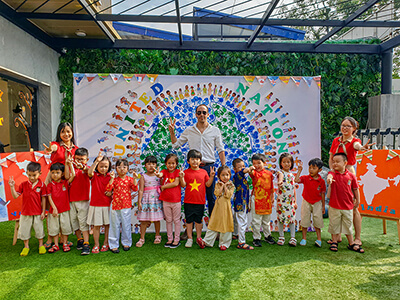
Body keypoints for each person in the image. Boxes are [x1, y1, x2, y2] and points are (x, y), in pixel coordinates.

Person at [169, 104, 225, 216]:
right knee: (192, 198)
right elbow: (176, 145)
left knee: (212, 198)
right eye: (199, 112)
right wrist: (172, 132)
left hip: (210, 168)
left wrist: (223, 168)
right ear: (196, 115)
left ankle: (212, 230)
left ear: (208, 114)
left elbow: (220, 149)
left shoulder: (215, 130)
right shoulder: (189, 130)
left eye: (204, 112)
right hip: (193, 169)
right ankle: (190, 227)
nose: (202, 115)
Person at [328, 116, 373, 248]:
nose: (345, 128)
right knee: (336, 204)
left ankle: (357, 238)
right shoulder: (336, 140)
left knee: (353, 207)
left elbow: (357, 146)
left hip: (348, 174)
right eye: (343, 125)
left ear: (354, 129)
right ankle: (337, 236)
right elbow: (331, 157)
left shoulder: (354, 140)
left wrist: (362, 148)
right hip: (335, 173)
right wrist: (332, 170)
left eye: (348, 126)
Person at [327, 153, 363, 253]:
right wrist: (329, 179)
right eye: (333, 162)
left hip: (347, 206)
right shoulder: (333, 173)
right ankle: (334, 241)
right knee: (334, 224)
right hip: (334, 205)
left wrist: (358, 200)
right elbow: (329, 175)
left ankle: (351, 242)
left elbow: (356, 189)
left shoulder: (351, 176)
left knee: (348, 224)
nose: (334, 164)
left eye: (337, 162)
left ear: (345, 163)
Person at [8, 162, 47, 256]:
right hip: (25, 212)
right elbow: (15, 196)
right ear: (26, 173)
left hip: (37, 212)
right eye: (29, 175)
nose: (32, 177)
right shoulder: (23, 184)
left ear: (40, 173)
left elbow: (44, 199)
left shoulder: (42, 185)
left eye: (34, 175)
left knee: (39, 229)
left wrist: (43, 211)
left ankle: (41, 245)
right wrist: (12, 187)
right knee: (24, 229)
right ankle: (26, 246)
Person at [179, 149, 215, 248]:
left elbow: (208, 184)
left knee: (199, 221)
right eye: (192, 159)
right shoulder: (186, 172)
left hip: (200, 202)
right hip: (188, 201)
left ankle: (199, 238)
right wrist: (181, 177)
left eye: (197, 159)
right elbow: (183, 185)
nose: (195, 161)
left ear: (201, 161)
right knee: (189, 221)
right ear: (188, 161)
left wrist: (211, 177)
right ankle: (190, 238)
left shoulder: (204, 172)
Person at [106, 159, 138, 253]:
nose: (122, 169)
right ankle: (113, 244)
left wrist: (135, 178)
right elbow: (108, 188)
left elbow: (135, 188)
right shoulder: (115, 180)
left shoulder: (130, 179)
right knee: (114, 225)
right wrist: (111, 178)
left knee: (126, 225)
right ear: (116, 168)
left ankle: (126, 242)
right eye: (119, 167)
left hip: (126, 205)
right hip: (115, 205)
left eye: (124, 167)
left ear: (128, 168)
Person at [294, 158, 326, 247]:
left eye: (314, 168)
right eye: (310, 167)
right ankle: (304, 238)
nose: (311, 170)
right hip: (306, 201)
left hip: (317, 203)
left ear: (320, 170)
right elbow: (296, 180)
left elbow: (323, 194)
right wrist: (299, 171)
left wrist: (323, 206)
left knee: (317, 220)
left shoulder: (322, 182)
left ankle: (319, 239)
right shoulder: (305, 178)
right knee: (304, 220)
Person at [202, 166, 235, 251]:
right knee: (213, 223)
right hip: (217, 208)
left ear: (230, 175)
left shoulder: (231, 185)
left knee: (226, 224)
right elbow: (217, 193)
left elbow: (228, 195)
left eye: (227, 175)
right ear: (219, 176)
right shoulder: (217, 184)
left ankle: (224, 243)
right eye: (223, 175)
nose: (225, 177)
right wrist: (222, 186)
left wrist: (225, 187)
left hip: (226, 209)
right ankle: (206, 242)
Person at [46, 160, 75, 253]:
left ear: (62, 174)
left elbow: (73, 175)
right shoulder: (50, 185)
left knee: (65, 227)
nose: (55, 175)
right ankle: (56, 244)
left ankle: (65, 243)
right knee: (54, 228)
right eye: (53, 173)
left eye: (57, 173)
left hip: (65, 210)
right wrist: (54, 208)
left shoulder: (65, 183)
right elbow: (49, 198)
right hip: (53, 211)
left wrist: (70, 165)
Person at [136, 156, 164, 247]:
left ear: (156, 165)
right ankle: (142, 238)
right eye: (148, 164)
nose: (151, 166)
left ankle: (157, 235)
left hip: (156, 200)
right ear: (145, 165)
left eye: (153, 164)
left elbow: (163, 185)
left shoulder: (159, 175)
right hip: (146, 200)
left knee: (156, 220)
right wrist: (139, 202)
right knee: (143, 220)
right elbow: (140, 190)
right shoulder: (143, 176)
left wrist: (160, 176)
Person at [87, 152, 112, 253]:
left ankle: (106, 243)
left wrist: (111, 192)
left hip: (107, 204)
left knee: (107, 225)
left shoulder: (111, 177)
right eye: (101, 166)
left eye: (106, 166)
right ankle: (96, 244)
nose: (103, 169)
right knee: (96, 226)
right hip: (96, 204)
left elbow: (113, 189)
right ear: (97, 166)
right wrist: (96, 160)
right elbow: (89, 172)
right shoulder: (94, 176)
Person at [249, 153, 275, 247]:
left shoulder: (269, 174)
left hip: (267, 200)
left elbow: (271, 187)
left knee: (266, 220)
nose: (257, 165)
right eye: (254, 163)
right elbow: (250, 172)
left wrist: (272, 197)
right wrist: (251, 168)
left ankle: (267, 236)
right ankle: (256, 238)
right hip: (256, 200)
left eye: (259, 163)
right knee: (256, 220)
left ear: (264, 163)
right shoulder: (254, 173)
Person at [69, 147, 91, 255]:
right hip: (70, 199)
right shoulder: (70, 168)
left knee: (83, 222)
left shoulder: (87, 169)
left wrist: (83, 167)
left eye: (82, 159)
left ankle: (86, 243)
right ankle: (79, 239)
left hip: (83, 200)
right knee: (74, 221)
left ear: (87, 160)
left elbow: (90, 173)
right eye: (77, 159)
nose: (79, 161)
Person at [159, 153, 182, 248]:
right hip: (166, 200)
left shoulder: (178, 172)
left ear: (176, 164)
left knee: (176, 220)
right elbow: (160, 174)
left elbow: (176, 183)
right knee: (168, 220)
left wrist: (163, 186)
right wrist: (158, 174)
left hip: (176, 201)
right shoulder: (164, 171)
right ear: (166, 164)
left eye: (173, 163)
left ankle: (177, 239)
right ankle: (170, 239)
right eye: (169, 163)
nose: (171, 165)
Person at [276, 153, 298, 247]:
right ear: (281, 163)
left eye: (288, 162)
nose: (286, 164)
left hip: (291, 202)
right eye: (284, 162)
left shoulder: (292, 175)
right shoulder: (280, 173)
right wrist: (280, 182)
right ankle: (281, 236)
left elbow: (294, 189)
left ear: (291, 163)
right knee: (281, 219)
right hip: (281, 201)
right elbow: (280, 179)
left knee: (292, 220)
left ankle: (293, 237)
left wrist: (295, 201)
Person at [232, 158, 253, 250]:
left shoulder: (243, 177)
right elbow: (242, 172)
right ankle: (241, 242)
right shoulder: (237, 176)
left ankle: (235, 234)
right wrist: (248, 169)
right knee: (242, 222)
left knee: (237, 221)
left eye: (243, 166)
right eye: (239, 167)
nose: (242, 168)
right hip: (240, 202)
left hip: (242, 202)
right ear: (234, 169)